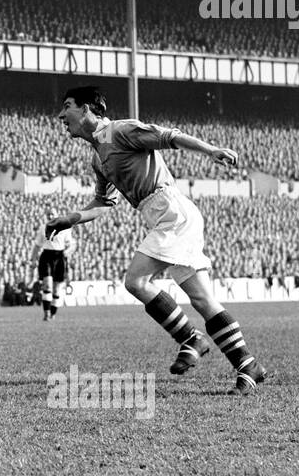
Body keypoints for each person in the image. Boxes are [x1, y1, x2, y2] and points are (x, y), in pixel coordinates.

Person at [45, 86, 268, 395]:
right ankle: (248, 365)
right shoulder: (98, 157)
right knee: (202, 299)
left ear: (86, 110)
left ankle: (192, 339)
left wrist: (210, 150)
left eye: (67, 106)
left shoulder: (119, 130)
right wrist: (72, 218)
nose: (60, 114)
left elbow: (168, 137)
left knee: (136, 281)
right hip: (164, 216)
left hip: (171, 212)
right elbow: (104, 202)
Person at [33, 219, 75, 321]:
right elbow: (37, 245)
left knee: (57, 288)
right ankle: (46, 313)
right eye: (48, 214)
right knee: (47, 284)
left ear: (57, 216)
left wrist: (67, 252)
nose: (50, 216)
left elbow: (72, 245)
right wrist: (33, 259)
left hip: (59, 256)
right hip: (46, 255)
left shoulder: (65, 229)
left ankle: (53, 313)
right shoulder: (43, 228)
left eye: (52, 214)